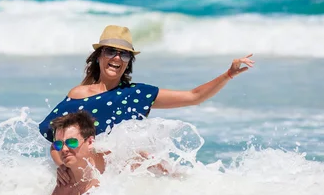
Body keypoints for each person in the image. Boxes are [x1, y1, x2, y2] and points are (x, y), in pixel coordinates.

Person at [39, 25, 255, 184]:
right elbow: (56, 141)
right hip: (89, 179)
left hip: (128, 180)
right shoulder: (79, 95)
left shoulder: (138, 93)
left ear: (128, 62)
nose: (117, 57)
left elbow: (194, 96)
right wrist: (63, 168)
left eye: (123, 54)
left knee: (173, 176)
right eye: (110, 51)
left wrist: (228, 74)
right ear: (98, 57)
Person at [48, 111, 104, 195]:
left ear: (90, 142)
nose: (64, 149)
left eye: (72, 142)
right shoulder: (63, 189)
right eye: (59, 144)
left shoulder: (112, 171)